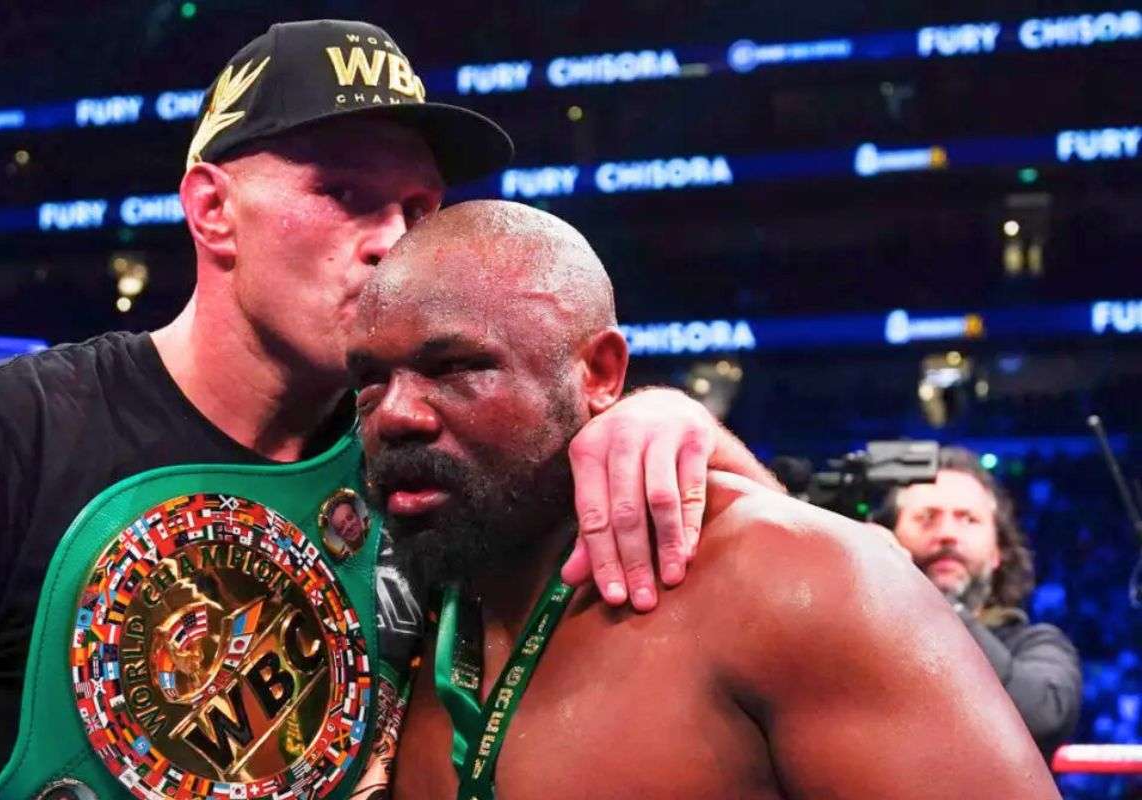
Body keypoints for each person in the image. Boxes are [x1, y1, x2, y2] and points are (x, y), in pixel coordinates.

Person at [0, 20, 778, 800]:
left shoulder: (431, 462)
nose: (393, 240)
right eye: (345, 194)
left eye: (418, 208)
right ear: (212, 210)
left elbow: (760, 595)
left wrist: (672, 426)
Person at [348, 200, 1059, 799]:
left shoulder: (792, 579)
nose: (395, 414)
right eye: (371, 379)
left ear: (600, 373)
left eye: (456, 366)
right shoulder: (401, 614)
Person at [881, 446, 1082, 760]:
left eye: (968, 519)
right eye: (926, 518)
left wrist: (934, 604)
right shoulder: (855, 641)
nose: (947, 533)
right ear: (889, 536)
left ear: (996, 552)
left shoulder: (1036, 644)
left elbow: (1043, 720)